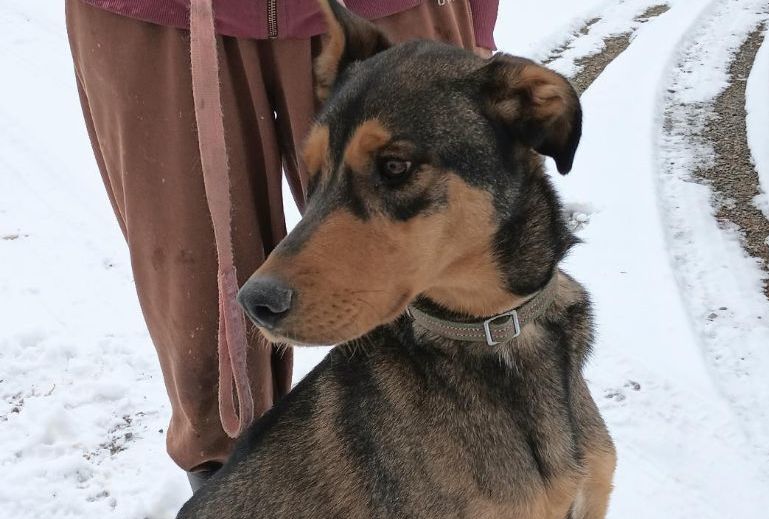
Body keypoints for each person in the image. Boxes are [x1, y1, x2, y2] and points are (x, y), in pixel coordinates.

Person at [66, 0, 499, 491]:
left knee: (447, 293)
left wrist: (479, 14)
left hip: (382, 9)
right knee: (201, 321)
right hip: (161, 17)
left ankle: (474, 512)